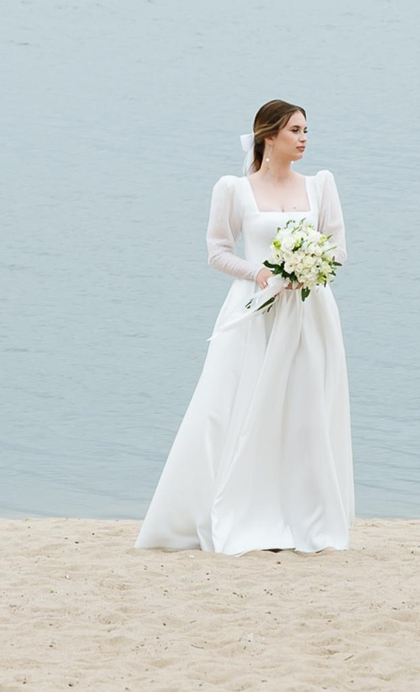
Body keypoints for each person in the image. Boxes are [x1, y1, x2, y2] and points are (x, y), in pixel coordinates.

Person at [135, 98, 354, 554]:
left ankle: (307, 517)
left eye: (306, 130)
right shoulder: (234, 189)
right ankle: (241, 509)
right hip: (256, 311)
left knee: (304, 410)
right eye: (295, 130)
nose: (304, 139)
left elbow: (337, 248)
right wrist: (260, 273)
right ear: (269, 136)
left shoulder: (321, 185)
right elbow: (217, 251)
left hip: (308, 312)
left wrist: (309, 269)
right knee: (235, 407)